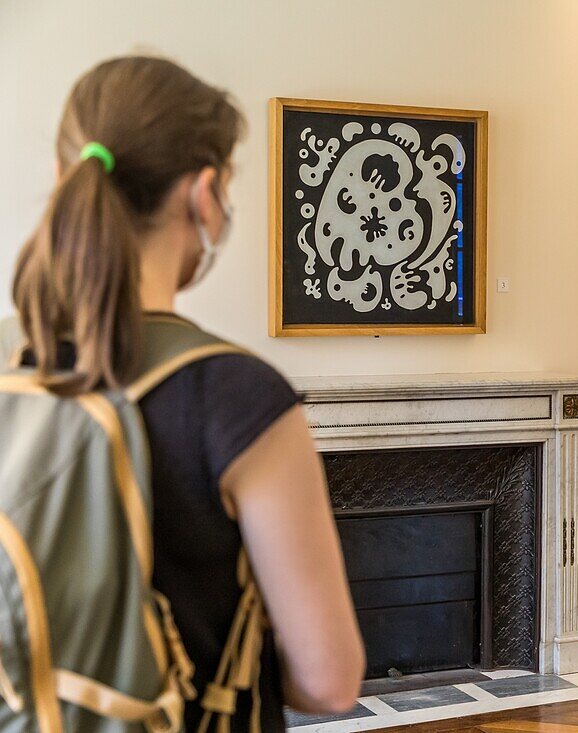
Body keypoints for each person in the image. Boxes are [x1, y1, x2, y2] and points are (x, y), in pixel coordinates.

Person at [9, 56, 364, 730]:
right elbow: (329, 680)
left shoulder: (6, 361)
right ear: (204, 195)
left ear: (63, 179)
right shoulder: (238, 398)